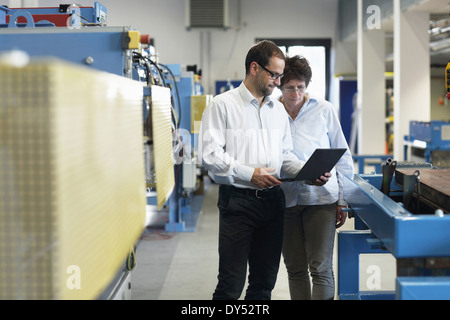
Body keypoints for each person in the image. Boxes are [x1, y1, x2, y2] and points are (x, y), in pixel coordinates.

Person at [199, 41, 330, 300]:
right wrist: (250, 174)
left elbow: (284, 156)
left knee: (263, 284)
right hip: (238, 203)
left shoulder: (277, 110)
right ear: (254, 68)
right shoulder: (222, 105)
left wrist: (307, 172)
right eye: (274, 75)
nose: (278, 82)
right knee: (230, 285)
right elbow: (210, 155)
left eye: (281, 76)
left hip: (273, 203)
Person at [279, 55, 354, 300]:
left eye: (300, 87)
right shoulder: (270, 112)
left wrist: (342, 201)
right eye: (289, 87)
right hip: (285, 200)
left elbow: (343, 157)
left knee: (320, 267)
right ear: (280, 85)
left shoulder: (324, 109)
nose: (295, 93)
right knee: (295, 268)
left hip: (322, 199)